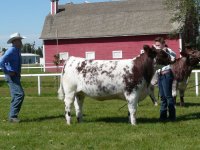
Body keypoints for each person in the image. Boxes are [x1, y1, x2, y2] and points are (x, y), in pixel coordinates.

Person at [0, 32, 26, 123]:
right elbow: (1, 62)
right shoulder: (11, 50)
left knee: (16, 95)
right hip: (11, 76)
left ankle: (12, 117)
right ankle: (13, 116)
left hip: (15, 76)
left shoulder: (17, 50)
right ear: (15, 41)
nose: (21, 42)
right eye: (19, 40)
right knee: (20, 94)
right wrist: (7, 72)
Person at [154, 37, 176, 122]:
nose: (157, 47)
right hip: (159, 75)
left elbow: (174, 57)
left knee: (168, 96)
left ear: (163, 44)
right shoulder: (156, 52)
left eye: (158, 45)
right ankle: (163, 117)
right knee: (163, 97)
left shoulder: (168, 51)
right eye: (156, 45)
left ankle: (172, 117)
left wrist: (165, 51)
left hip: (167, 74)